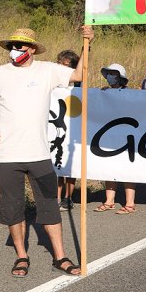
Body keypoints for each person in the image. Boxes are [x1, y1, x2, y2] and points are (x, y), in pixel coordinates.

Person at [0, 27, 92, 277]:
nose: (15, 50)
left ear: (32, 49)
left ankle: (60, 257)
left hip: (39, 154)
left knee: (49, 205)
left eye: (21, 46)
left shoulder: (48, 70)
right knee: (13, 207)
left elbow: (80, 73)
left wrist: (86, 43)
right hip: (7, 155)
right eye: (12, 46)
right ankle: (21, 256)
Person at [93, 64, 139, 214]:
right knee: (109, 168)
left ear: (121, 77)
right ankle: (109, 201)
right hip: (108, 136)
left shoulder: (129, 93)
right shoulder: (104, 93)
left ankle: (130, 203)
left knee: (127, 169)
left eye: (114, 74)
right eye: (109, 74)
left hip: (126, 136)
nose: (111, 77)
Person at [55, 50, 79, 211]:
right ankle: (56, 198)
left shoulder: (78, 86)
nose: (62, 68)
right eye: (60, 64)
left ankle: (68, 198)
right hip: (56, 126)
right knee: (57, 165)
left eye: (66, 65)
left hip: (72, 127)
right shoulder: (52, 82)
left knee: (71, 165)